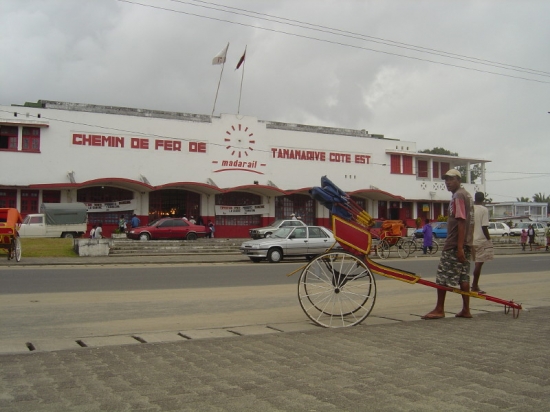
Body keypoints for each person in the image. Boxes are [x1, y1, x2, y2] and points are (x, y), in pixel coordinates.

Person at [422, 168, 474, 320]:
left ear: (459, 180)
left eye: (451, 179)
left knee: (442, 277)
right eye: (446, 180)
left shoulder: (458, 196)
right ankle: (466, 309)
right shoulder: (467, 195)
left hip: (455, 243)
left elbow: (461, 221)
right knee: (463, 277)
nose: (448, 183)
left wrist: (458, 247)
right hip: (466, 243)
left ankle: (439, 309)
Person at [471, 192, 493, 294]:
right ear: (483, 199)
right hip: (480, 239)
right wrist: (489, 239)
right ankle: (475, 285)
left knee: (474, 262)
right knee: (479, 264)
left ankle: (472, 284)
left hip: (471, 239)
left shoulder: (470, 208)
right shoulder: (484, 210)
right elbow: (484, 227)